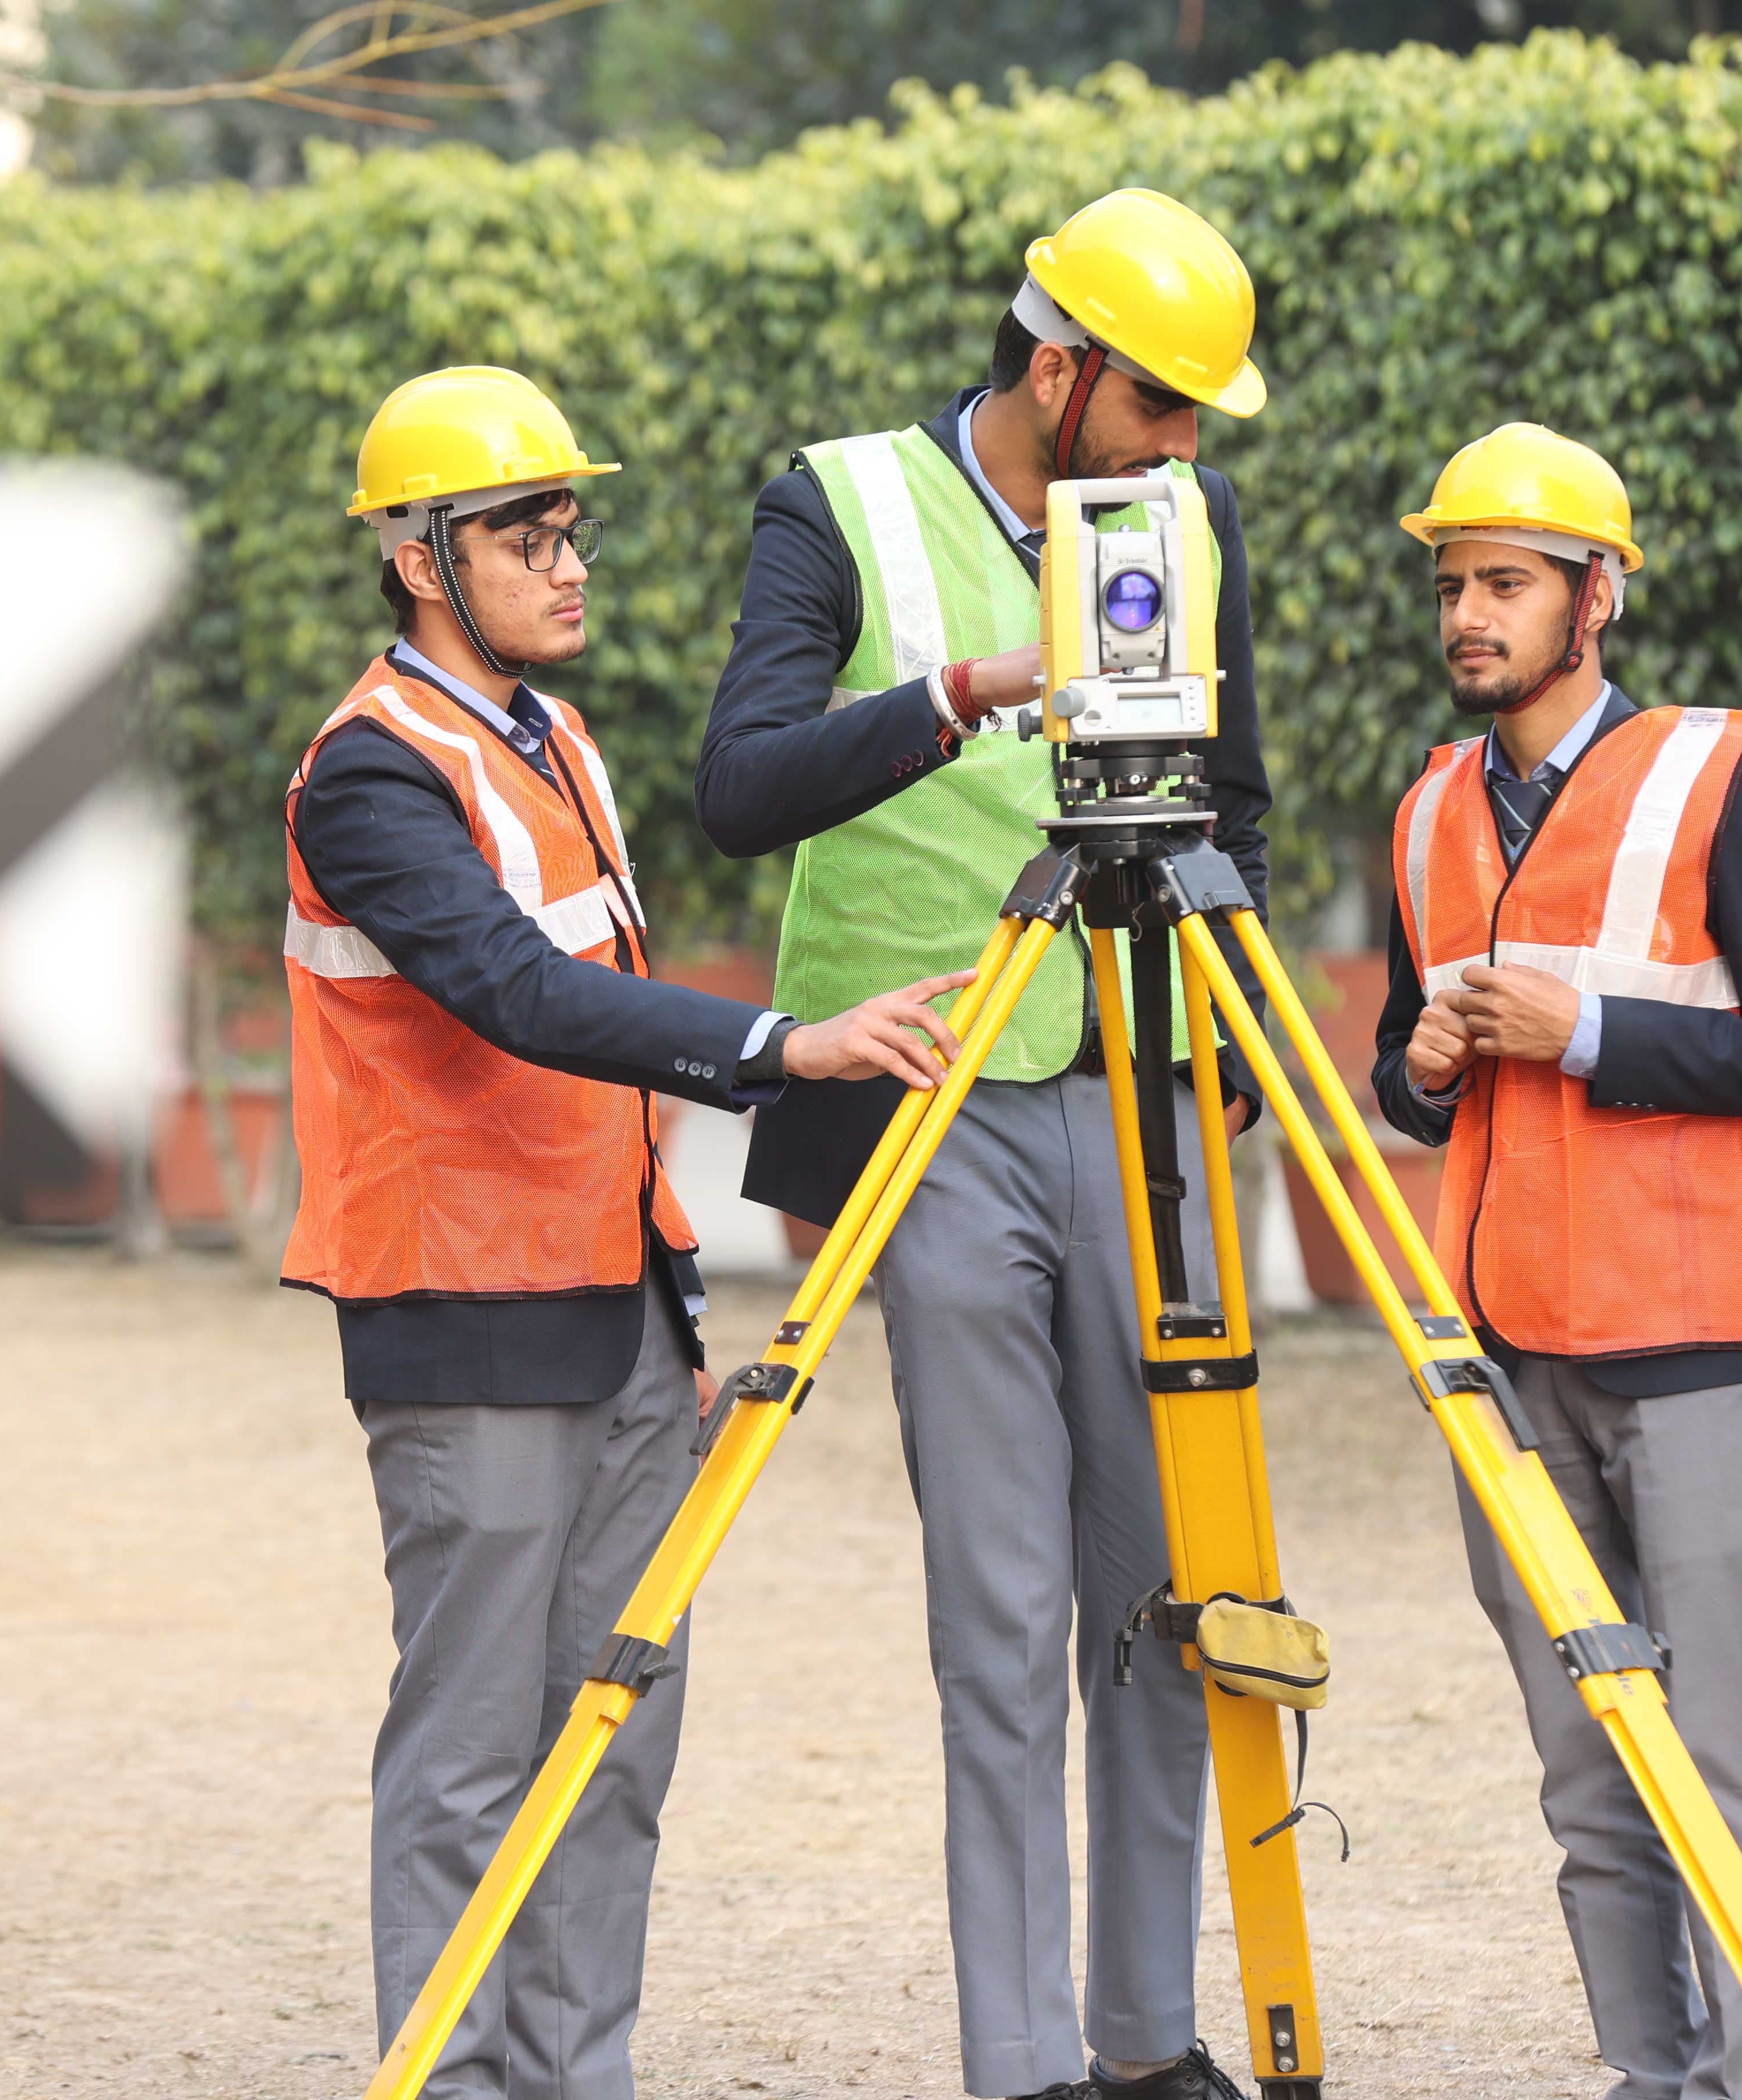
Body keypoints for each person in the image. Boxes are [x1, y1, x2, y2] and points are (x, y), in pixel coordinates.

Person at [284, 364, 971, 2100]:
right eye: (528, 535)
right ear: (422, 559)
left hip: (620, 1318)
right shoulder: (369, 774)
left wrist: (674, 1324)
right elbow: (515, 993)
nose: (570, 563)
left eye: (571, 529)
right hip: (465, 1318)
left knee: (614, 1743)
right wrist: (783, 1047)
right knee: (471, 1758)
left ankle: (575, 2077)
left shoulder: (556, 739)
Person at [697, 188, 1272, 2100]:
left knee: (1166, 1594)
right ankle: (1019, 2061)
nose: (1178, 450)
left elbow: (1237, 801)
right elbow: (740, 785)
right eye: (1159, 406)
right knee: (1006, 1611)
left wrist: (1224, 1054)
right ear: (1058, 371)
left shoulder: (1191, 520)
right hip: (937, 1101)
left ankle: (1149, 2036)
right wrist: (963, 693)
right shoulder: (840, 503)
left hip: (1141, 1099)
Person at [1367, 424, 1742, 2100]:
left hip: (1691, 1342)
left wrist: (1586, 1036)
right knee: (1586, 1772)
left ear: (1598, 595)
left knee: (1722, 1763)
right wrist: (1424, 1070)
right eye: (1453, 587)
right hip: (1507, 1360)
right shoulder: (1431, 808)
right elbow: (1405, 1083)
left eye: (1505, 583)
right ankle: (1654, 2074)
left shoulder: (1722, 774)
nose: (1469, 617)